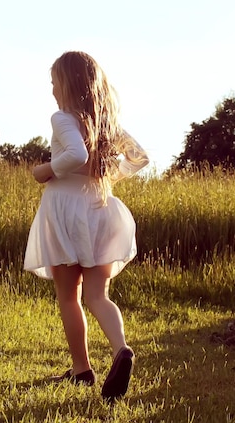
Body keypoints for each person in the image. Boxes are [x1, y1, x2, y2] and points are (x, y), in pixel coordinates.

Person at [23, 51, 149, 401]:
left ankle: (82, 370)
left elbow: (76, 155)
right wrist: (110, 175)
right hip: (101, 210)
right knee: (98, 295)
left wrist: (46, 170)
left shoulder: (63, 118)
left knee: (69, 296)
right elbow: (141, 157)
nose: (51, 90)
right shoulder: (105, 124)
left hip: (66, 211)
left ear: (66, 82)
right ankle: (121, 349)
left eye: (53, 82)